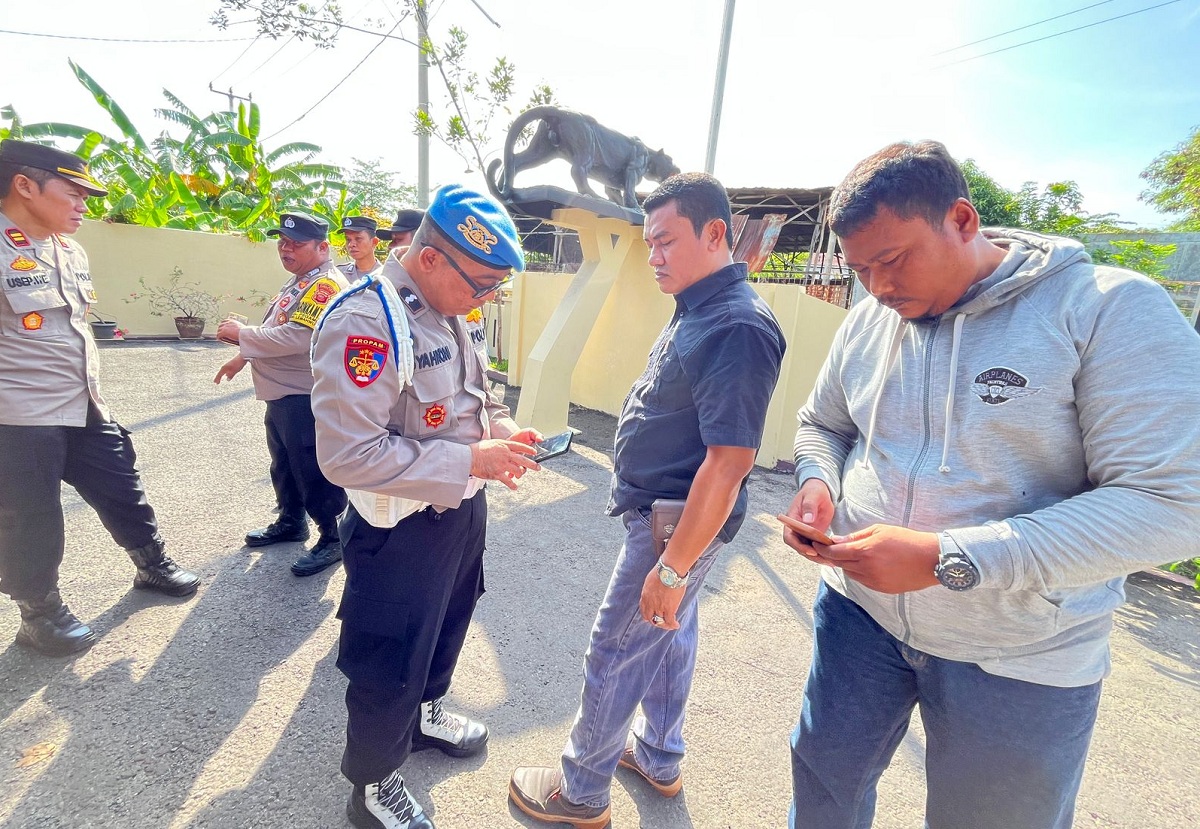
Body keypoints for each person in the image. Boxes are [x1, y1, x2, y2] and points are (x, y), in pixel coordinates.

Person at [783, 141, 1200, 829]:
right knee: (824, 787)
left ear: (963, 218)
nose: (878, 286)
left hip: (1024, 653)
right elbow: (821, 424)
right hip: (859, 618)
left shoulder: (1104, 309)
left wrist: (950, 555)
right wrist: (817, 481)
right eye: (860, 269)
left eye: (894, 259)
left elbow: (1173, 503)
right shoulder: (867, 322)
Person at [509, 172, 787, 829]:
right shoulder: (700, 304)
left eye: (665, 242)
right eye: (650, 243)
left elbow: (730, 461)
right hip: (668, 519)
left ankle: (579, 793)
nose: (654, 256)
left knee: (616, 649)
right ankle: (658, 756)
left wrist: (672, 566)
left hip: (676, 527)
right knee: (668, 635)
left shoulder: (737, 325)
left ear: (716, 233)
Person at [310, 184, 540, 829]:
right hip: (400, 528)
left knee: (448, 623)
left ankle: (430, 709)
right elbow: (348, 455)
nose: (487, 297)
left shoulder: (448, 308)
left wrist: (497, 432)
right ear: (431, 258)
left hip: (458, 509)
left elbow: (470, 396)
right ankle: (375, 784)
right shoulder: (366, 320)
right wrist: (470, 460)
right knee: (388, 658)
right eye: (482, 283)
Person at [0, 139, 200, 656]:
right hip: (17, 415)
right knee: (30, 517)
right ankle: (39, 612)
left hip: (84, 403)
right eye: (73, 192)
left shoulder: (69, 250)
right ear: (25, 185)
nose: (84, 205)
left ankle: (150, 564)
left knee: (122, 487)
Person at [213, 211, 349, 577]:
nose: (286, 249)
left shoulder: (324, 286)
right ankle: (291, 521)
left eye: (296, 244)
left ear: (323, 247)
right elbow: (279, 326)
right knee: (285, 465)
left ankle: (334, 536)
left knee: (312, 469)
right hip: (282, 393)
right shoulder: (300, 281)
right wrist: (242, 356)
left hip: (304, 395)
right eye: (283, 242)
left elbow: (299, 338)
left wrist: (243, 334)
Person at [336, 215, 384, 280]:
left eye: (358, 238)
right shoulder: (338, 274)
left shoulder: (385, 275)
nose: (351, 244)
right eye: (348, 239)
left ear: (374, 242)